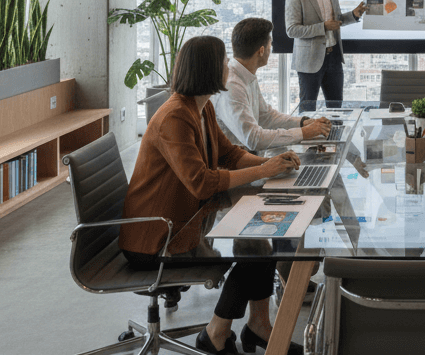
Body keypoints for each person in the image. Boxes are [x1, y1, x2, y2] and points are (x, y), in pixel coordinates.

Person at [120, 35, 305, 355]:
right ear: (207, 69)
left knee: (259, 240)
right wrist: (264, 171)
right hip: (155, 239)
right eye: (222, 63)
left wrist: (271, 164)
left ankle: (259, 326)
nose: (227, 68)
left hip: (186, 221)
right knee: (254, 252)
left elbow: (230, 155)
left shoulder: (199, 108)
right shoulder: (174, 116)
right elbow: (201, 183)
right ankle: (216, 333)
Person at [215, 17, 333, 152]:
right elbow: (253, 139)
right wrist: (304, 133)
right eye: (270, 45)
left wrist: (303, 122)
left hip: (249, 157)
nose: (271, 49)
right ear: (261, 51)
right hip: (236, 165)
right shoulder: (232, 85)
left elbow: (265, 116)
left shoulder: (245, 73)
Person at [285, 0, 365, 110]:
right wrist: (323, 27)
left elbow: (336, 21)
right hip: (309, 61)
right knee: (308, 109)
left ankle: (336, 135)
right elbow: (292, 30)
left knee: (336, 109)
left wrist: (354, 15)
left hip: (334, 58)